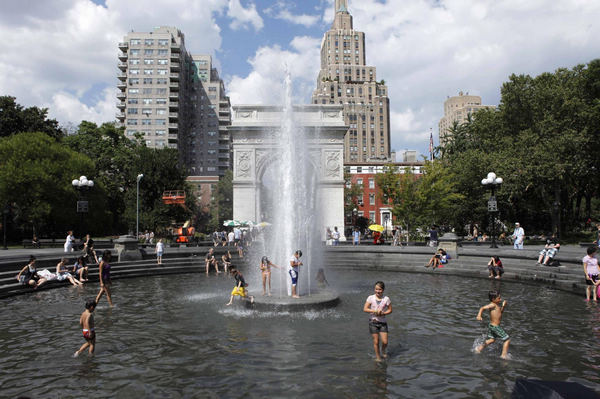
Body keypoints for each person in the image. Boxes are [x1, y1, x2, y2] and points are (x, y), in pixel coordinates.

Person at [475, 290, 510, 359]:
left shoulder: (496, 305)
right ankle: (503, 355)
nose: (500, 299)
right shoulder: (492, 305)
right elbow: (482, 308)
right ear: (493, 299)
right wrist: (479, 315)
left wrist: (503, 306)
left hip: (492, 326)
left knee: (492, 340)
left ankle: (479, 348)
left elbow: (500, 312)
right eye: (499, 298)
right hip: (495, 327)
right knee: (507, 339)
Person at [363, 281, 392, 361]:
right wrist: (374, 311)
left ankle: (383, 350)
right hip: (373, 322)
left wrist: (384, 313)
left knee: (385, 342)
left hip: (383, 323)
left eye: (379, 289)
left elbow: (390, 310)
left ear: (383, 290)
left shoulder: (386, 299)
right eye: (376, 289)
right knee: (376, 341)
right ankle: (378, 357)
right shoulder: (370, 298)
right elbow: (365, 309)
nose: (377, 291)